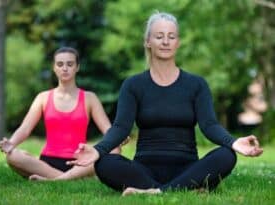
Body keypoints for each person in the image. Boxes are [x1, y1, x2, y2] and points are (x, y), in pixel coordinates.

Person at [70, 12, 263, 195]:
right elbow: (121, 127)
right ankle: (183, 188)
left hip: (187, 167)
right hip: (144, 169)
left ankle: (156, 191)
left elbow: (209, 125)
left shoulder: (196, 84)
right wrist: (97, 150)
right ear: (148, 42)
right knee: (104, 163)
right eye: (159, 36)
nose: (165, 41)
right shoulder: (133, 85)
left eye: (171, 36)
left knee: (227, 155)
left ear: (177, 42)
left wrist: (234, 142)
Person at [0, 47, 122, 180]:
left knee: (115, 149)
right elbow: (25, 128)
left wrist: (118, 137)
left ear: (77, 67)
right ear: (54, 68)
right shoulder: (43, 97)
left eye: (70, 64)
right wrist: (11, 143)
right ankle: (69, 178)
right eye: (60, 64)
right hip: (47, 162)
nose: (65, 68)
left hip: (81, 162)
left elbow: (107, 130)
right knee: (13, 155)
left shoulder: (89, 98)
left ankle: (55, 180)